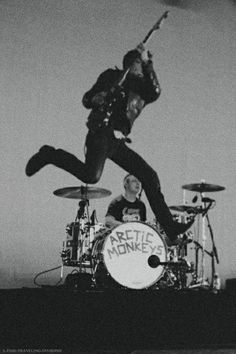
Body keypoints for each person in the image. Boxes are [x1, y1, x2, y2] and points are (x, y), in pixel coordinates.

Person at [25, 43, 193, 243]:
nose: (142, 68)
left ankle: (170, 227)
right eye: (139, 63)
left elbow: (155, 91)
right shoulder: (111, 77)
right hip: (100, 132)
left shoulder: (141, 87)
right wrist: (96, 98)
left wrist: (148, 62)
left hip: (115, 140)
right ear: (131, 64)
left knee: (149, 176)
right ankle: (50, 154)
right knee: (91, 176)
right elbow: (87, 99)